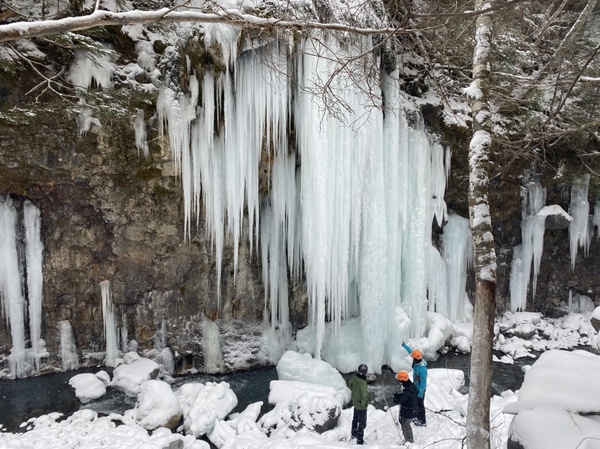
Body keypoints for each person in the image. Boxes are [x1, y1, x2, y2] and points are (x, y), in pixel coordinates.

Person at [402, 341, 428, 426]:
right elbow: (411, 352)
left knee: (420, 404)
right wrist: (404, 345)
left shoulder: (422, 370)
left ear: (417, 359)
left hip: (420, 388)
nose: (413, 359)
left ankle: (422, 421)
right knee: (415, 402)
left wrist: (420, 393)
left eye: (414, 359)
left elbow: (423, 383)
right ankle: (417, 416)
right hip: (416, 386)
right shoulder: (417, 360)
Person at [393, 370, 418, 445]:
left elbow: (401, 399)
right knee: (405, 425)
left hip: (409, 410)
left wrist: (396, 397)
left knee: (405, 425)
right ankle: (408, 440)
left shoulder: (408, 390)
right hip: (408, 409)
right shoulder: (410, 386)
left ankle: (409, 441)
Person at [348, 363, 369, 444]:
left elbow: (350, 386)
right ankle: (360, 440)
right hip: (361, 405)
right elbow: (365, 395)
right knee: (362, 423)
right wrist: (364, 404)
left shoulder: (354, 377)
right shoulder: (363, 383)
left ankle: (354, 434)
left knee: (355, 419)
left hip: (356, 402)